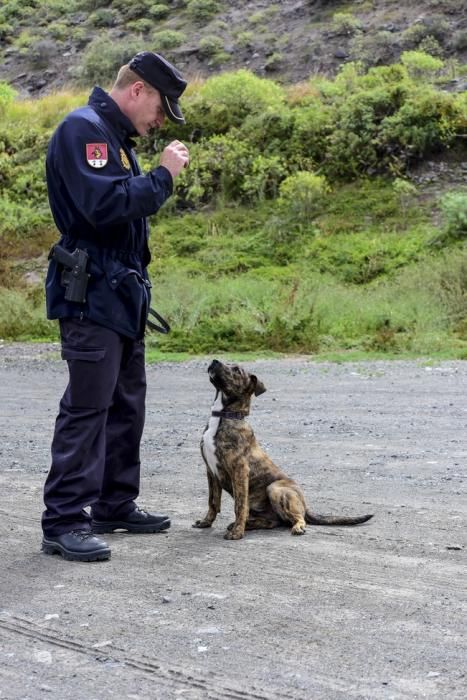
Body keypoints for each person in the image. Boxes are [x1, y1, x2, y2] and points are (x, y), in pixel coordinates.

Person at [41, 52, 189, 562]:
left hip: (120, 292)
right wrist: (164, 176)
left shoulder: (112, 138)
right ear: (137, 91)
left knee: (126, 403)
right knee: (87, 408)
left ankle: (113, 503)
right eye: (161, 108)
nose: (160, 121)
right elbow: (103, 207)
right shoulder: (84, 131)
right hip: (94, 293)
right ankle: (63, 521)